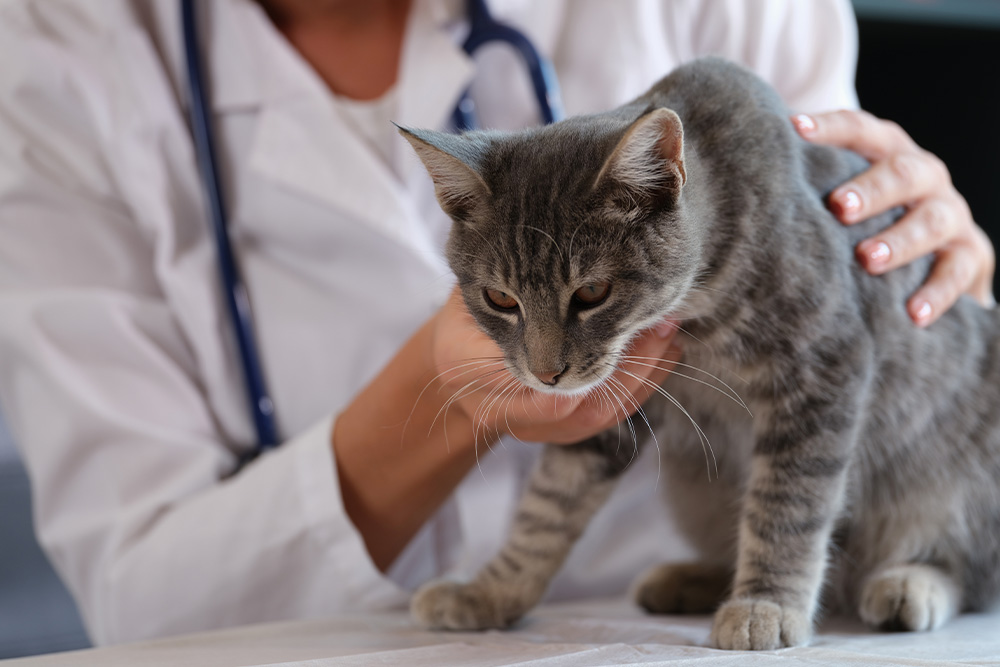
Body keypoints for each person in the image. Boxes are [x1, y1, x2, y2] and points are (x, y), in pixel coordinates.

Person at [0, 0, 992, 647]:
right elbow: (141, 606)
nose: (551, 359)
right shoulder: (55, 60)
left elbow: (850, 341)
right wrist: (443, 390)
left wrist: (946, 256)